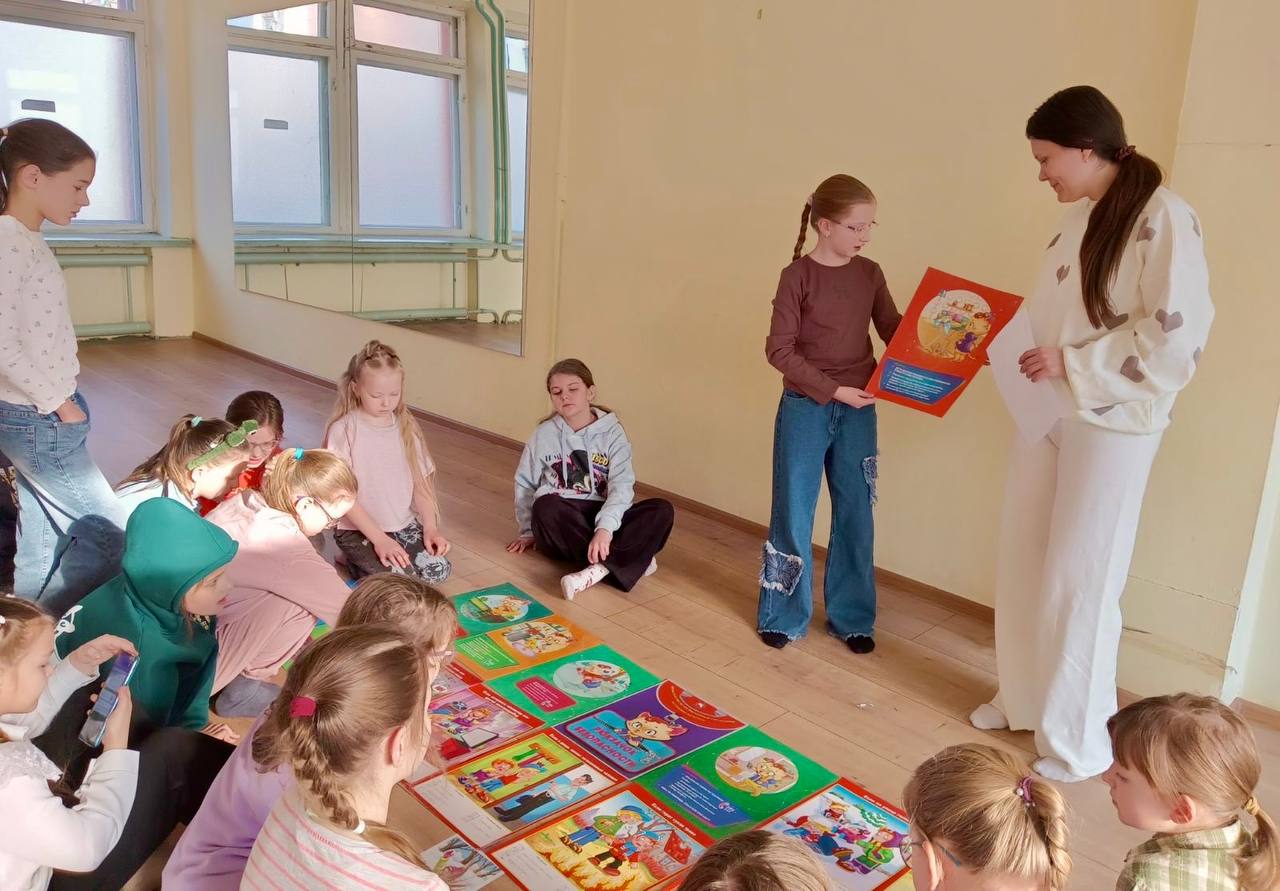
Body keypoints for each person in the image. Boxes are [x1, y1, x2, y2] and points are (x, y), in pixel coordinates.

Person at [971, 85, 1215, 782]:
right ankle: (1023, 698)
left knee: (1082, 577)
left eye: (1046, 158)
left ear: (1085, 149)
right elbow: (1060, 317)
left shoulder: (1165, 217)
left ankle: (1079, 739)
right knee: (1023, 555)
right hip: (1048, 411)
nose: (1041, 173)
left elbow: (1176, 342)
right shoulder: (1079, 218)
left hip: (1113, 423)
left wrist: (1074, 365)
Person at [757, 174, 901, 653]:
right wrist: (833, 390)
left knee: (857, 512)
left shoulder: (870, 273)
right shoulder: (796, 276)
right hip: (806, 408)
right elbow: (779, 350)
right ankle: (782, 615)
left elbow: (895, 331)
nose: (865, 236)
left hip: (859, 411)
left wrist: (955, 349)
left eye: (870, 226)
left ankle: (852, 618)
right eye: (856, 227)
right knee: (794, 511)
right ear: (825, 225)